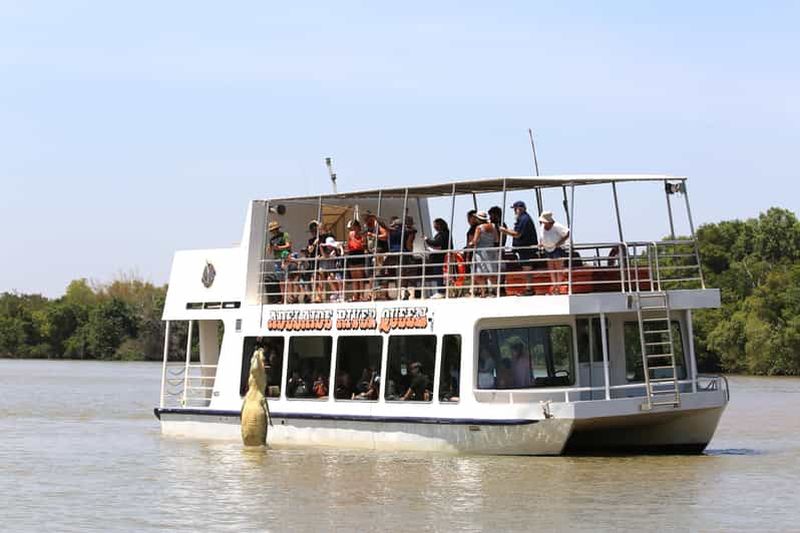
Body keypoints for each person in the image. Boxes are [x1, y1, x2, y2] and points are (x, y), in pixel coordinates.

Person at [499, 201, 538, 295]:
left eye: (515, 209)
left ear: (519, 209)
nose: (515, 211)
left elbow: (517, 234)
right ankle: (528, 288)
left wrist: (505, 231)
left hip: (526, 249)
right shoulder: (523, 218)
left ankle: (529, 289)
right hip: (524, 249)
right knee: (526, 268)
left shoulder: (524, 219)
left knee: (527, 268)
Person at [539, 210, 570, 294]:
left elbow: (567, 233)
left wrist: (559, 243)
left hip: (557, 249)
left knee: (558, 268)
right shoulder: (542, 226)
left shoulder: (557, 226)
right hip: (547, 248)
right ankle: (555, 286)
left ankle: (558, 287)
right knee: (551, 269)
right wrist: (541, 243)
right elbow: (542, 236)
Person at [469, 211, 500, 297]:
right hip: (491, 251)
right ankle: (494, 291)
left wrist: (471, 243)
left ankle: (483, 292)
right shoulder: (493, 226)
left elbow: (475, 241)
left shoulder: (479, 228)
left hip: (481, 252)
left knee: (479, 273)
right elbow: (496, 239)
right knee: (491, 271)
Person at [424, 218, 451, 298]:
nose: (434, 227)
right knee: (440, 274)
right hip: (441, 256)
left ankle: (441, 291)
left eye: (435, 225)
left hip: (440, 257)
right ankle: (442, 290)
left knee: (439, 273)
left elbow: (437, 243)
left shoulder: (443, 234)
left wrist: (427, 240)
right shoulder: (445, 233)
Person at [345, 220, 367, 301]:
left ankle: (361, 295)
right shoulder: (350, 234)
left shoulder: (362, 235)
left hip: (359, 253)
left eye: (355, 226)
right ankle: (355, 295)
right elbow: (348, 244)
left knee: (360, 276)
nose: (354, 228)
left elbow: (364, 245)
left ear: (358, 227)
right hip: (352, 253)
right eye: (352, 227)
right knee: (354, 276)